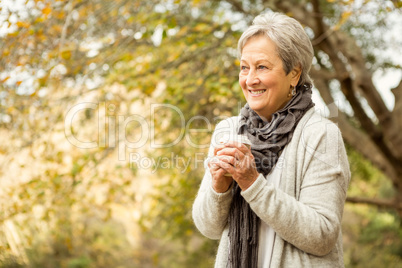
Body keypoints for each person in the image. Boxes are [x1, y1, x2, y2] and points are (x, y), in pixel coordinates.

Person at [192, 12, 350, 268]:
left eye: (262, 67)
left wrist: (252, 183)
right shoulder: (229, 131)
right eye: (245, 67)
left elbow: (322, 235)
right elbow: (208, 227)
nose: (250, 79)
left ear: (295, 74)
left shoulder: (320, 135)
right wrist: (219, 188)